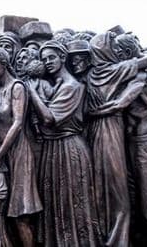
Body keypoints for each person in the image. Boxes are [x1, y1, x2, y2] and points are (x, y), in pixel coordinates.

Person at [86, 31, 147, 246]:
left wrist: (95, 112)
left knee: (103, 183)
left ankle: (108, 234)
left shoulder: (91, 75)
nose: (115, 52)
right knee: (118, 188)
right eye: (112, 48)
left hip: (97, 131)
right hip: (111, 129)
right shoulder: (116, 71)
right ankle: (118, 238)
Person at [27, 41, 99, 246]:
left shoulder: (72, 87)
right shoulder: (55, 85)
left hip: (68, 149)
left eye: (51, 57)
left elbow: (49, 119)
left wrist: (32, 92)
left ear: (62, 57)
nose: (47, 62)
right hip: (53, 149)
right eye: (43, 59)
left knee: (71, 202)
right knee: (54, 202)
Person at [0, 47, 41, 247]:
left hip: (18, 152)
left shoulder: (17, 87)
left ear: (4, 64)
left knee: (19, 213)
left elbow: (17, 123)